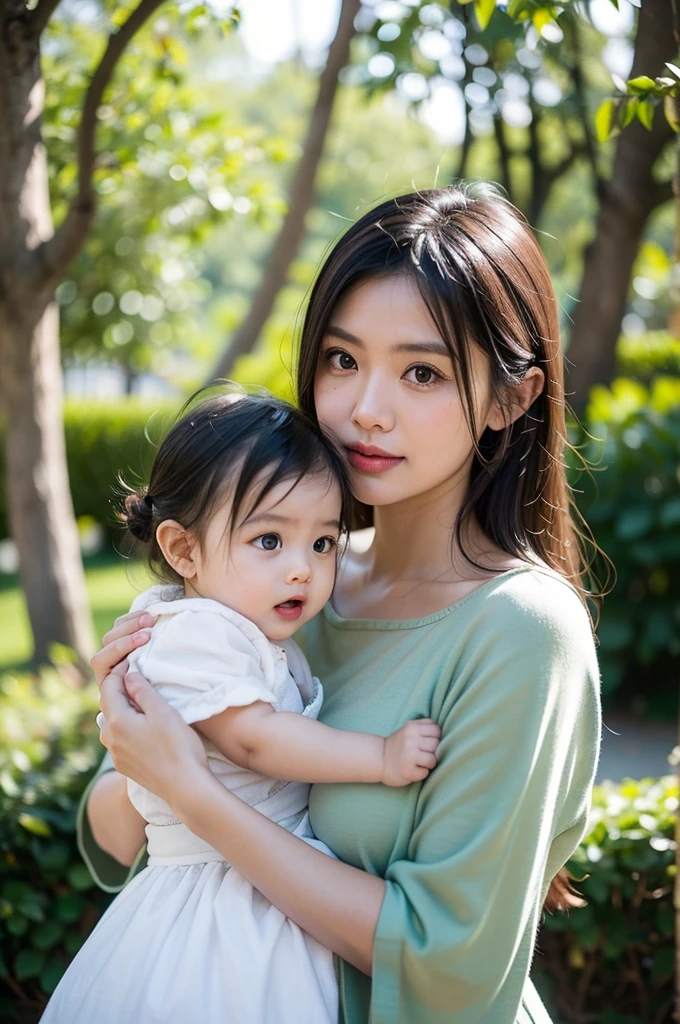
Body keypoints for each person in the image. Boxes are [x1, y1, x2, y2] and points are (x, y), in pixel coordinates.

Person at [82, 182, 602, 1024]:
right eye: (342, 359)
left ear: (513, 397)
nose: (365, 409)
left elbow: (451, 969)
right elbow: (119, 835)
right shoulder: (279, 580)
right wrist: (124, 725)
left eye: (422, 372)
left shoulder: (519, 630)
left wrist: (194, 792)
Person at [41, 391, 441, 1024]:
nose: (302, 571)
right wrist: (381, 757)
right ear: (184, 550)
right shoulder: (201, 634)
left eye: (322, 544)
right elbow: (254, 739)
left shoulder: (234, 623)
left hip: (255, 879)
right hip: (224, 899)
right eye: (269, 540)